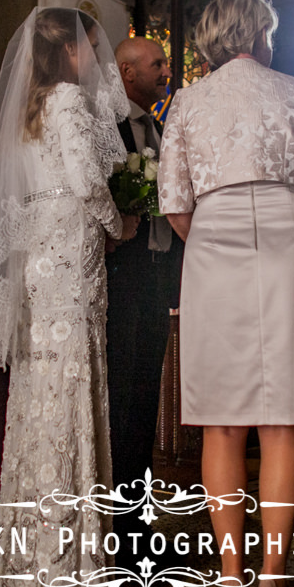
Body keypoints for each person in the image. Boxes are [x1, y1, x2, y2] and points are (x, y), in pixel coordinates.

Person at [158, 0, 294, 587]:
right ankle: (273, 583)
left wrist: (215, 232)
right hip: (288, 239)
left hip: (212, 242)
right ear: (260, 31)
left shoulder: (185, 100)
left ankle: (230, 585)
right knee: (283, 419)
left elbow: (174, 202)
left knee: (221, 423)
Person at [0, 8, 138, 587]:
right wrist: (122, 226)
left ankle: (29, 559)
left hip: (41, 264)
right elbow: (89, 183)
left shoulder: (29, 111)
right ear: (66, 52)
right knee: (73, 391)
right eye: (89, 45)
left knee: (40, 401)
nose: (95, 56)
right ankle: (68, 575)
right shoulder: (68, 103)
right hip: (73, 257)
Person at [105, 37, 182, 550]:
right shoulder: (106, 130)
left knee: (146, 400)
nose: (166, 69)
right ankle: (115, 525)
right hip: (121, 282)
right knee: (121, 401)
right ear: (127, 73)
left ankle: (137, 520)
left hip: (157, 280)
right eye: (156, 63)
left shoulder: (162, 128)